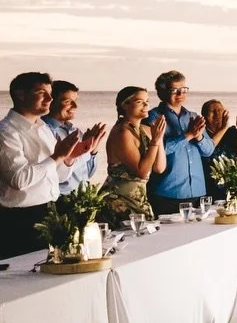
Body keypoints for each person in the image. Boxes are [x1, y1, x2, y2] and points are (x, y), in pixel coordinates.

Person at [0, 72, 106, 258]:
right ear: (20, 94)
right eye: (42, 93)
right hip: (20, 219)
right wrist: (57, 156)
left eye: (50, 93)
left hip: (50, 212)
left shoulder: (42, 127)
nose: (50, 98)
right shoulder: (6, 132)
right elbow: (19, 179)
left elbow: (59, 176)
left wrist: (71, 158)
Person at [147, 70, 214, 212]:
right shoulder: (153, 117)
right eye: (175, 90)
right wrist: (188, 135)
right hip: (168, 193)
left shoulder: (193, 116)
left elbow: (209, 151)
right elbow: (157, 152)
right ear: (163, 92)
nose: (181, 94)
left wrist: (199, 137)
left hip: (198, 191)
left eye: (183, 89)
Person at [100, 87, 168, 224]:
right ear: (125, 105)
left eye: (147, 101)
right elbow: (141, 172)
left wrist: (159, 138)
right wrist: (154, 141)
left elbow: (159, 168)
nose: (146, 105)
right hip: (120, 201)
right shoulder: (122, 132)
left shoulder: (145, 130)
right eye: (139, 102)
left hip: (139, 199)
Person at [43, 81, 99, 196]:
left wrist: (93, 152)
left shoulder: (75, 131)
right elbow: (55, 174)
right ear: (50, 102)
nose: (75, 106)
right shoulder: (45, 131)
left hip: (82, 200)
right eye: (67, 101)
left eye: (75, 101)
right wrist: (85, 153)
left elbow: (88, 173)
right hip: (60, 201)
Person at [201, 98, 237, 201]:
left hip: (230, 187)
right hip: (207, 187)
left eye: (220, 110)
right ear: (204, 117)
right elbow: (208, 149)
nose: (217, 113)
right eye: (213, 111)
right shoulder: (201, 134)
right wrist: (224, 127)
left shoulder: (231, 131)